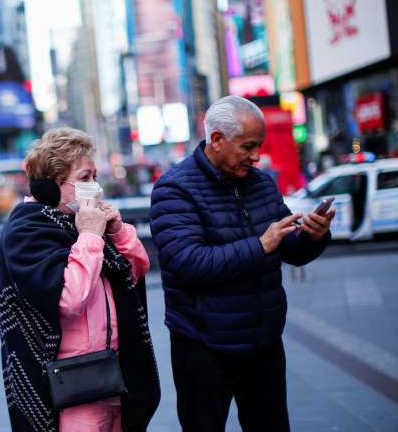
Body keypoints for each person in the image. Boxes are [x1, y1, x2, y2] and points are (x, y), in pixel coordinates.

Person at [149, 95, 334, 432]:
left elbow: (289, 249)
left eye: (259, 145)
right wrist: (260, 245)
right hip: (203, 345)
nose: (256, 156)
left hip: (263, 341)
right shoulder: (174, 189)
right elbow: (187, 263)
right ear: (217, 140)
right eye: (248, 146)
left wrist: (313, 236)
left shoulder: (260, 183)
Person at [0, 127, 160, 432]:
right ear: (52, 185)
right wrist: (90, 236)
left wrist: (117, 231)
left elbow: (136, 269)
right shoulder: (27, 229)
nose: (94, 186)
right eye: (84, 178)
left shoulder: (82, 221)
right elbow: (69, 296)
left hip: (113, 375)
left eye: (95, 176)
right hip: (71, 386)